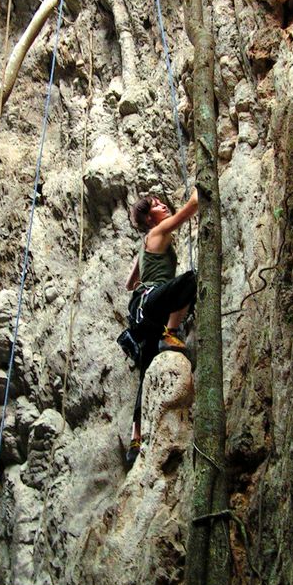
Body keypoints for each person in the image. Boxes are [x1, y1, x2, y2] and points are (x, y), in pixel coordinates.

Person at [124, 188, 198, 465]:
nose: (163, 206)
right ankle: (171, 332)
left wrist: (144, 273)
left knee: (146, 373)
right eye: (156, 206)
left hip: (142, 312)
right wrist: (197, 189)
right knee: (192, 280)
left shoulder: (146, 243)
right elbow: (191, 207)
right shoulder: (158, 232)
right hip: (152, 303)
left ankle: (136, 440)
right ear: (148, 218)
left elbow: (129, 284)